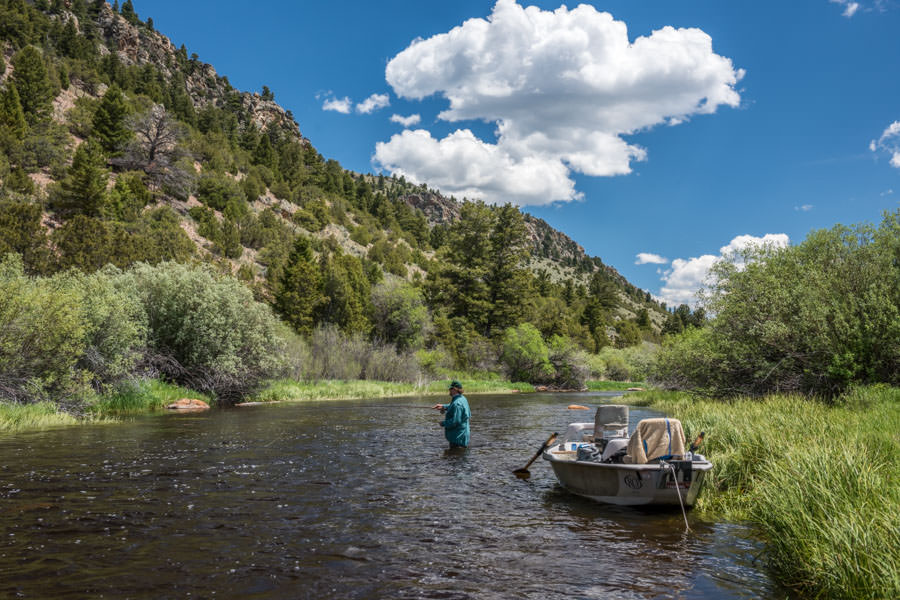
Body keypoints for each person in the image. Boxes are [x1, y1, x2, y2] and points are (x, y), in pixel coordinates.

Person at [432, 380, 470, 448]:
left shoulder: (457, 403)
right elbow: (453, 406)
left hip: (458, 437)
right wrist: (443, 406)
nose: (449, 390)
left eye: (450, 389)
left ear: (455, 389)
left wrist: (443, 423)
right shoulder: (462, 398)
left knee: (456, 455)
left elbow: (456, 421)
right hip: (461, 435)